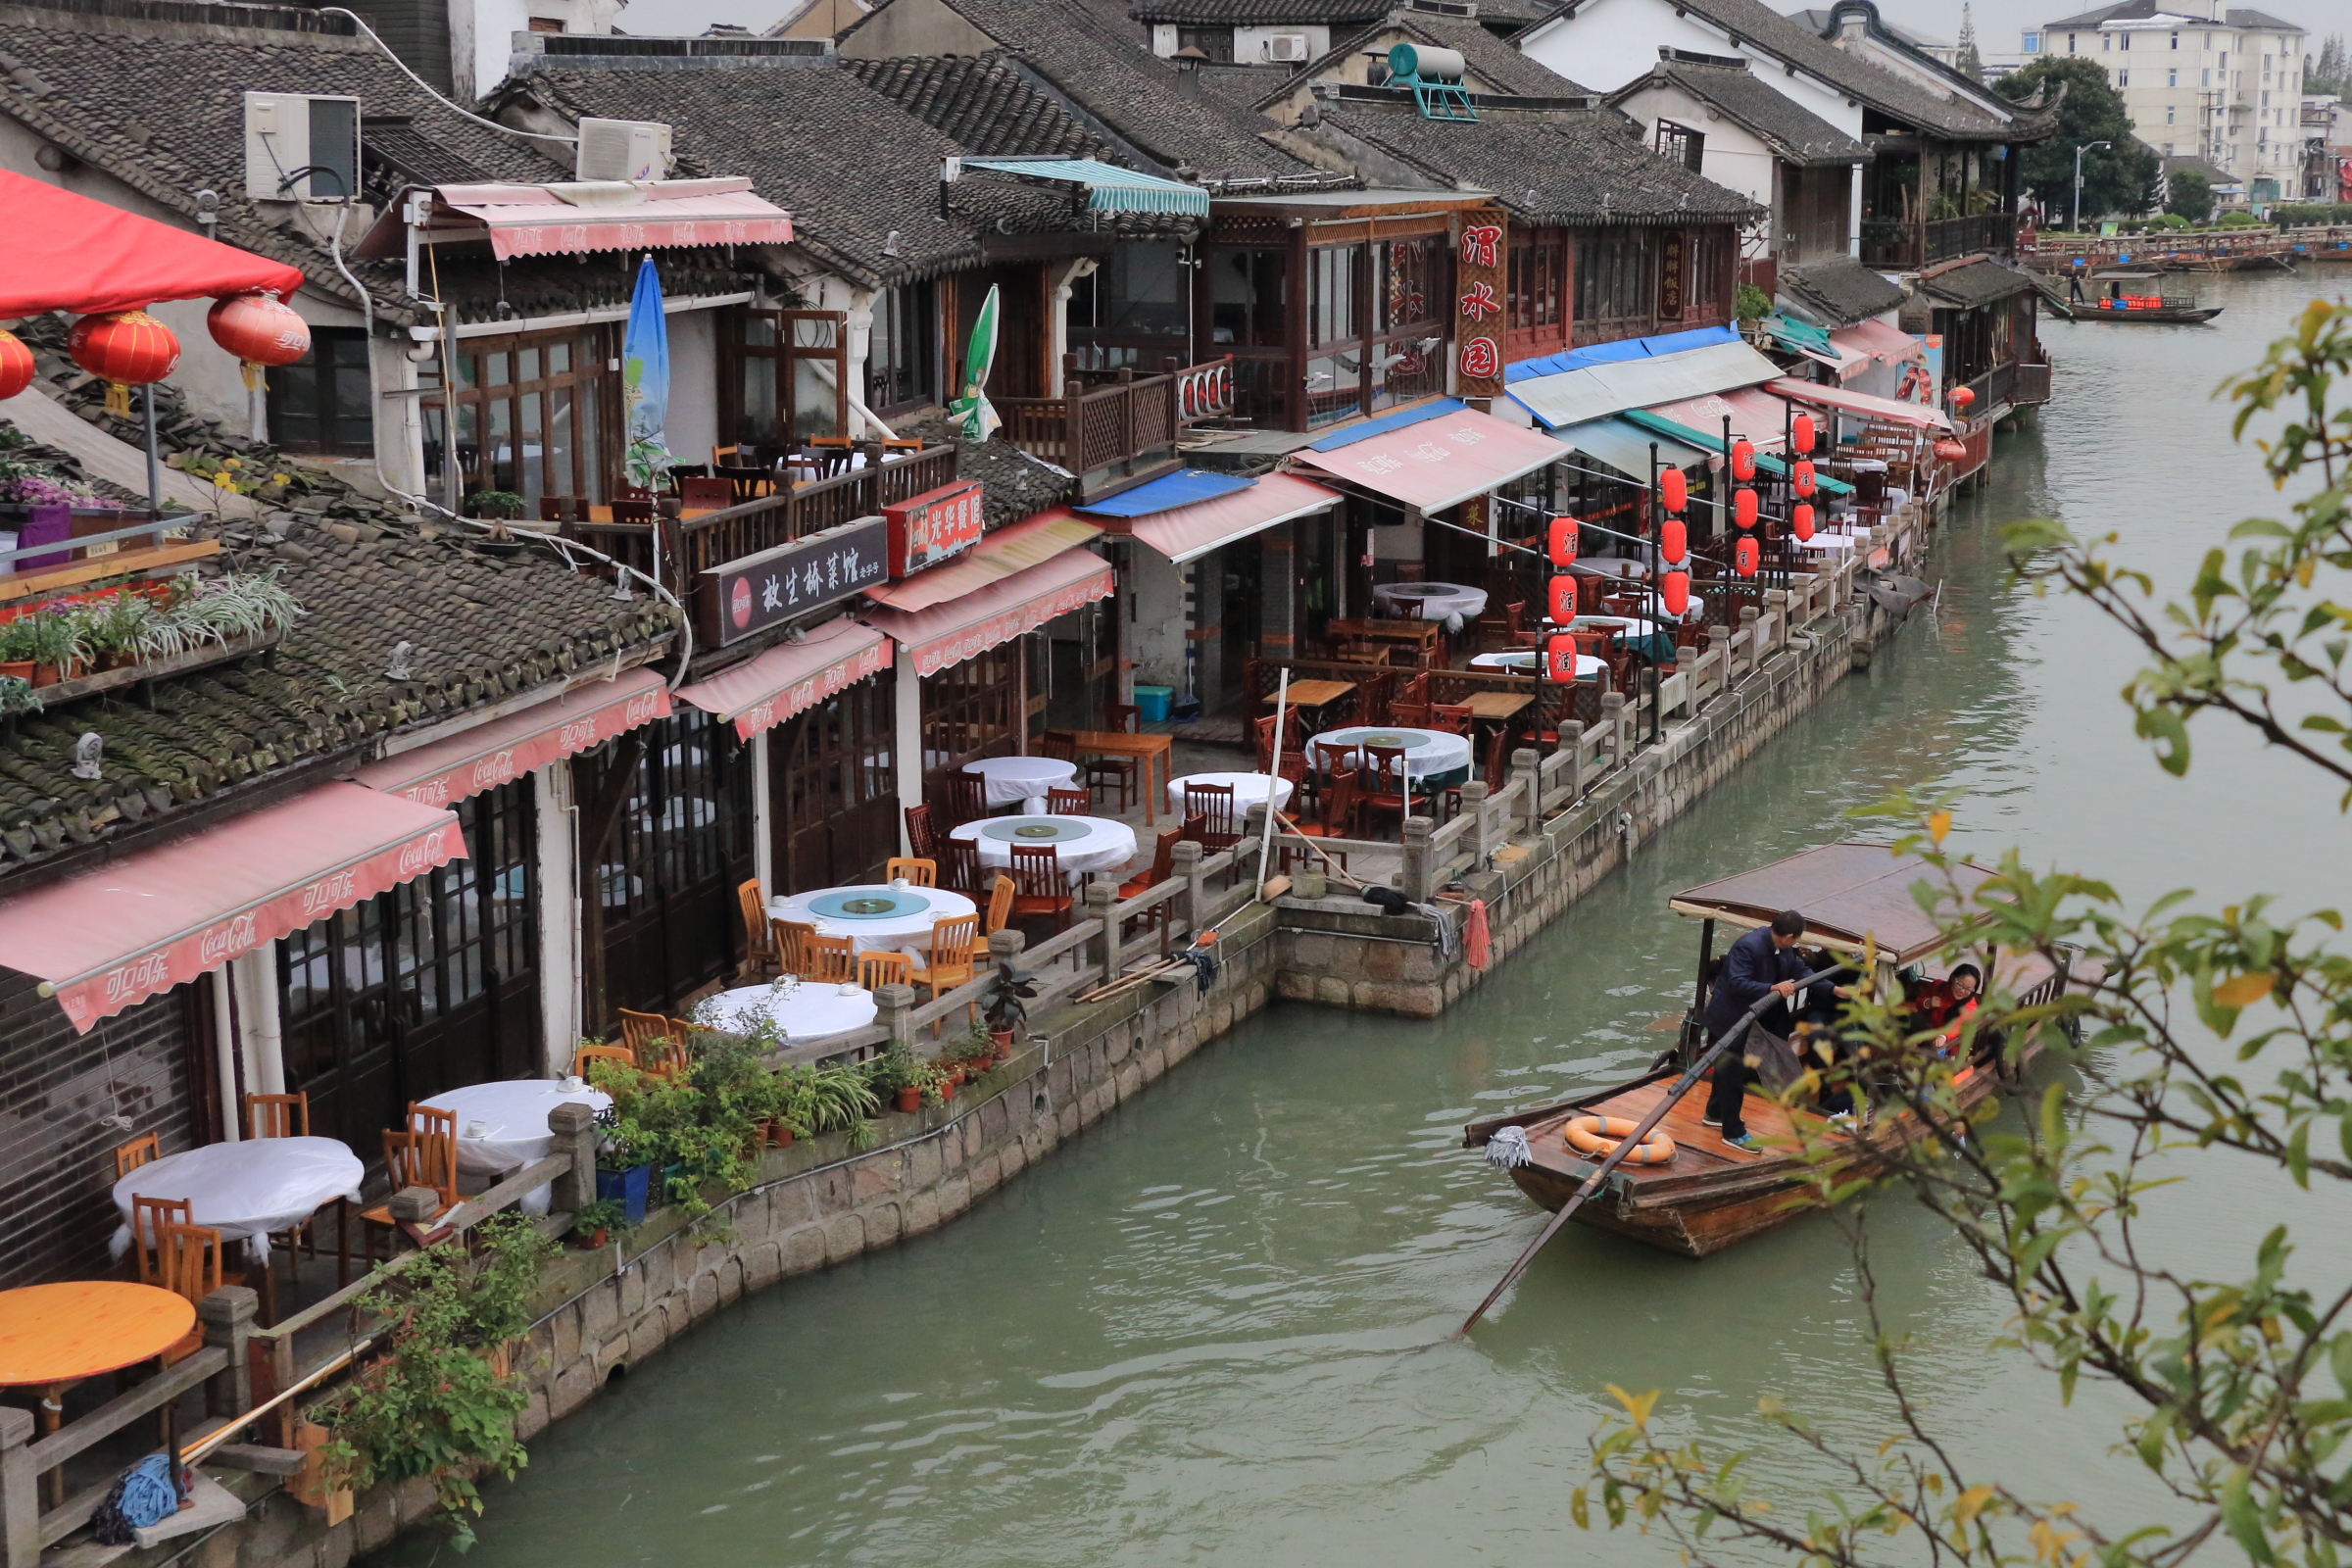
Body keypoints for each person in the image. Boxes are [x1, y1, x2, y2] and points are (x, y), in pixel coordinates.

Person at [1700, 909, 1816, 1150]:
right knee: (1732, 1074)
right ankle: (1733, 1132)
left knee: (1726, 1068)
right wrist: (1771, 987)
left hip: (1745, 1017)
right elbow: (1736, 982)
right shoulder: (1749, 946)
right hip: (1727, 1018)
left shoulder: (1783, 948)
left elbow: (1799, 970)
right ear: (1790, 937)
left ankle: (1714, 1113)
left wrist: (1832, 988)